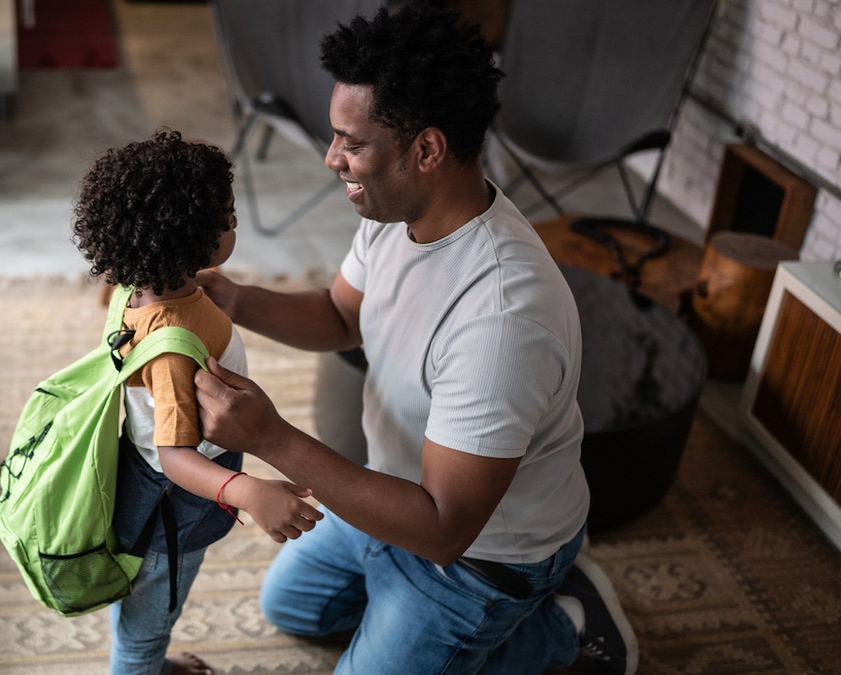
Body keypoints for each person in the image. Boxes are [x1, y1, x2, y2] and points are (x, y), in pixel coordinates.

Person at [192, 6, 638, 674]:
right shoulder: (396, 211)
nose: (330, 157)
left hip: (478, 556)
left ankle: (564, 625)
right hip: (395, 493)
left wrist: (273, 437)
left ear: (425, 150)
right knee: (292, 605)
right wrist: (232, 297)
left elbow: (442, 527)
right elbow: (341, 316)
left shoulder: (501, 316)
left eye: (350, 141)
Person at [71, 129, 324, 675]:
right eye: (228, 220)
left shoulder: (138, 286)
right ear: (189, 241)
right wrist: (249, 491)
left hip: (152, 486)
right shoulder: (174, 347)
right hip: (170, 503)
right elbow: (176, 457)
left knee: (152, 609)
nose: (235, 225)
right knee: (148, 620)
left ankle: (154, 659)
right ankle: (145, 662)